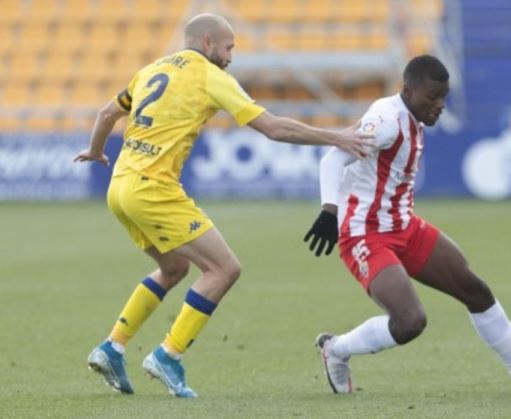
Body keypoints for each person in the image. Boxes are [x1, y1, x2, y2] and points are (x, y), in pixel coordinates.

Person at [74, 13, 373, 398]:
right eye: (229, 47)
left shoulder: (151, 69)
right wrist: (337, 137)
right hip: (153, 189)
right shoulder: (210, 76)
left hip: (119, 188)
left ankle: (112, 347)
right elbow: (273, 127)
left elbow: (106, 113)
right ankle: (169, 355)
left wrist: (96, 152)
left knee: (173, 266)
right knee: (224, 268)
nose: (232, 56)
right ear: (208, 43)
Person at [304, 54, 511, 394]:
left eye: (443, 98)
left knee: (475, 290)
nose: (439, 105)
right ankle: (336, 349)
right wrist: (329, 211)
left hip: (404, 226)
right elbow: (333, 158)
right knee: (410, 322)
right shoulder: (385, 121)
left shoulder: (413, 116)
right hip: (365, 233)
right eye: (432, 97)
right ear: (408, 91)